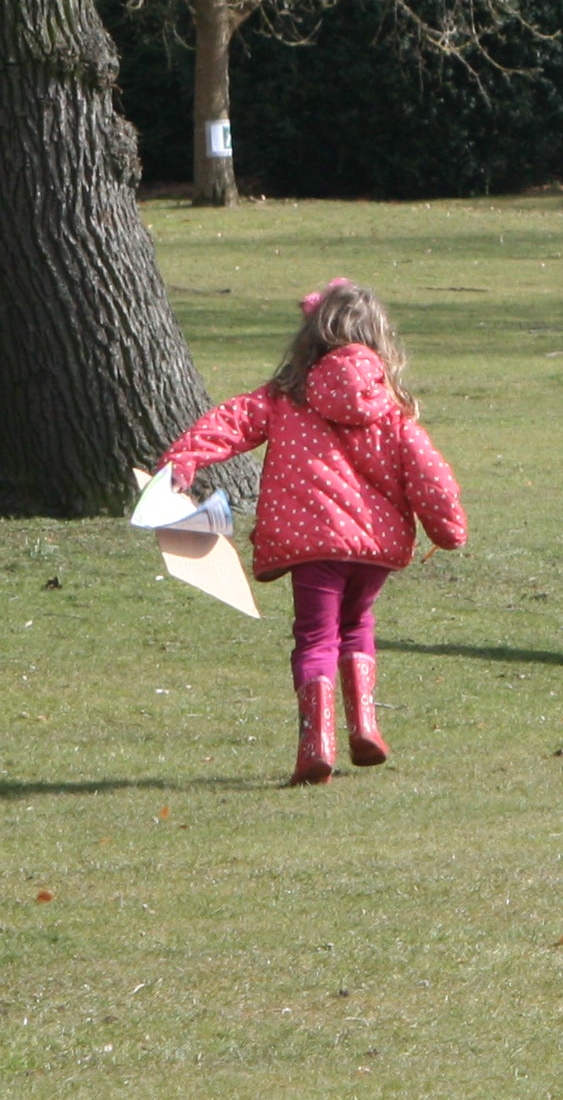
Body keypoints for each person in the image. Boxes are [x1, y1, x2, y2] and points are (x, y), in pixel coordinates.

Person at [156, 277, 468, 786]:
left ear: (310, 338)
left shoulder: (283, 399)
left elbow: (229, 423)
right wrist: (448, 530)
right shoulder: (392, 412)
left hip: (310, 542)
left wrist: (183, 461)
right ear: (381, 340)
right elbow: (430, 476)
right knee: (357, 624)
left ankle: (315, 745)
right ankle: (364, 724)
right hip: (372, 548)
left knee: (315, 637)